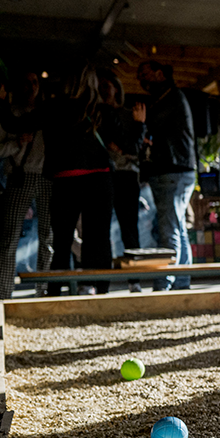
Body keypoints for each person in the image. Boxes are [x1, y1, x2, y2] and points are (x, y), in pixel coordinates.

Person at [41, 64, 115, 296]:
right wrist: (140, 125)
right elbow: (122, 143)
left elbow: (16, 124)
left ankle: (55, 292)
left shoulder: (52, 107)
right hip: (98, 179)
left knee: (61, 241)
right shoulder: (101, 109)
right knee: (98, 238)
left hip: (65, 180)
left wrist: (0, 102)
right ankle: (99, 290)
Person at [0, 71, 53, 300]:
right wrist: (17, 143)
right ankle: (0, 291)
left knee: (48, 236)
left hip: (47, 177)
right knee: (10, 235)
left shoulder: (48, 112)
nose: (31, 87)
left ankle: (45, 289)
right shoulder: (11, 113)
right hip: (20, 175)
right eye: (26, 82)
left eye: (35, 82)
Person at [138, 60, 195, 291]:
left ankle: (164, 284)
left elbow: (151, 123)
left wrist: (140, 123)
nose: (142, 79)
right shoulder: (167, 98)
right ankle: (181, 282)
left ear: (160, 74)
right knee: (177, 228)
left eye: (145, 74)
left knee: (169, 229)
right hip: (175, 169)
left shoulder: (171, 98)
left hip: (174, 169)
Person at [98, 69, 148, 291]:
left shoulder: (130, 115)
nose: (102, 90)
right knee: (100, 230)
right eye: (99, 86)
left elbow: (135, 148)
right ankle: (100, 282)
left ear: (116, 88)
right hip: (104, 175)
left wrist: (121, 149)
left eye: (106, 86)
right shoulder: (96, 115)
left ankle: (134, 280)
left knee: (129, 229)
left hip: (127, 175)